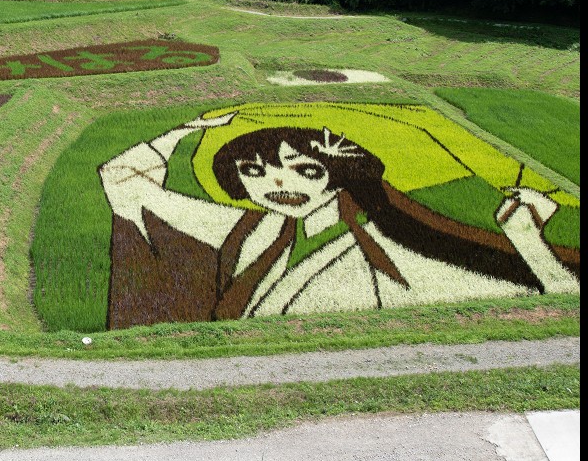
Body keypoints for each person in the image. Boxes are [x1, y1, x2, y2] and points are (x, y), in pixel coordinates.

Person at [99, 113, 579, 330]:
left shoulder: (389, 246)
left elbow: (554, 300)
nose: (275, 185)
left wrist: (528, 241)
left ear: (340, 170)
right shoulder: (255, 230)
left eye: (304, 169)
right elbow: (121, 179)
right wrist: (187, 130)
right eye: (253, 171)